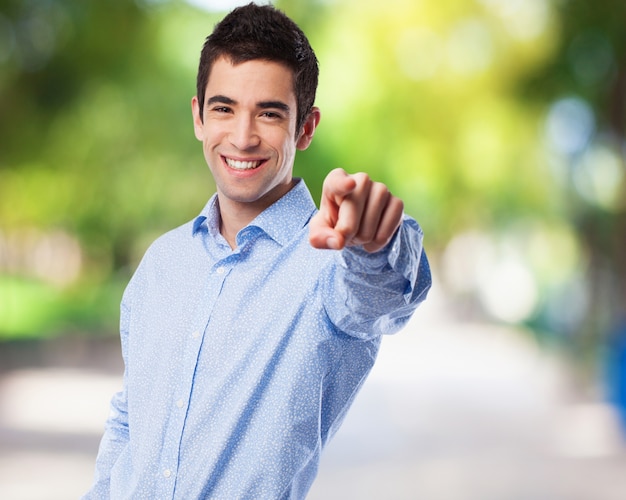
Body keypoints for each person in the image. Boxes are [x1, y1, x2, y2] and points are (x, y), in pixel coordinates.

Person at [84, 3, 431, 499]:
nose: (242, 138)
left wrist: (379, 241)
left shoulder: (331, 264)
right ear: (199, 117)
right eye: (224, 108)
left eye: (269, 113)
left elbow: (384, 293)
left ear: (305, 129)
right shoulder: (162, 263)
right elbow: (129, 419)